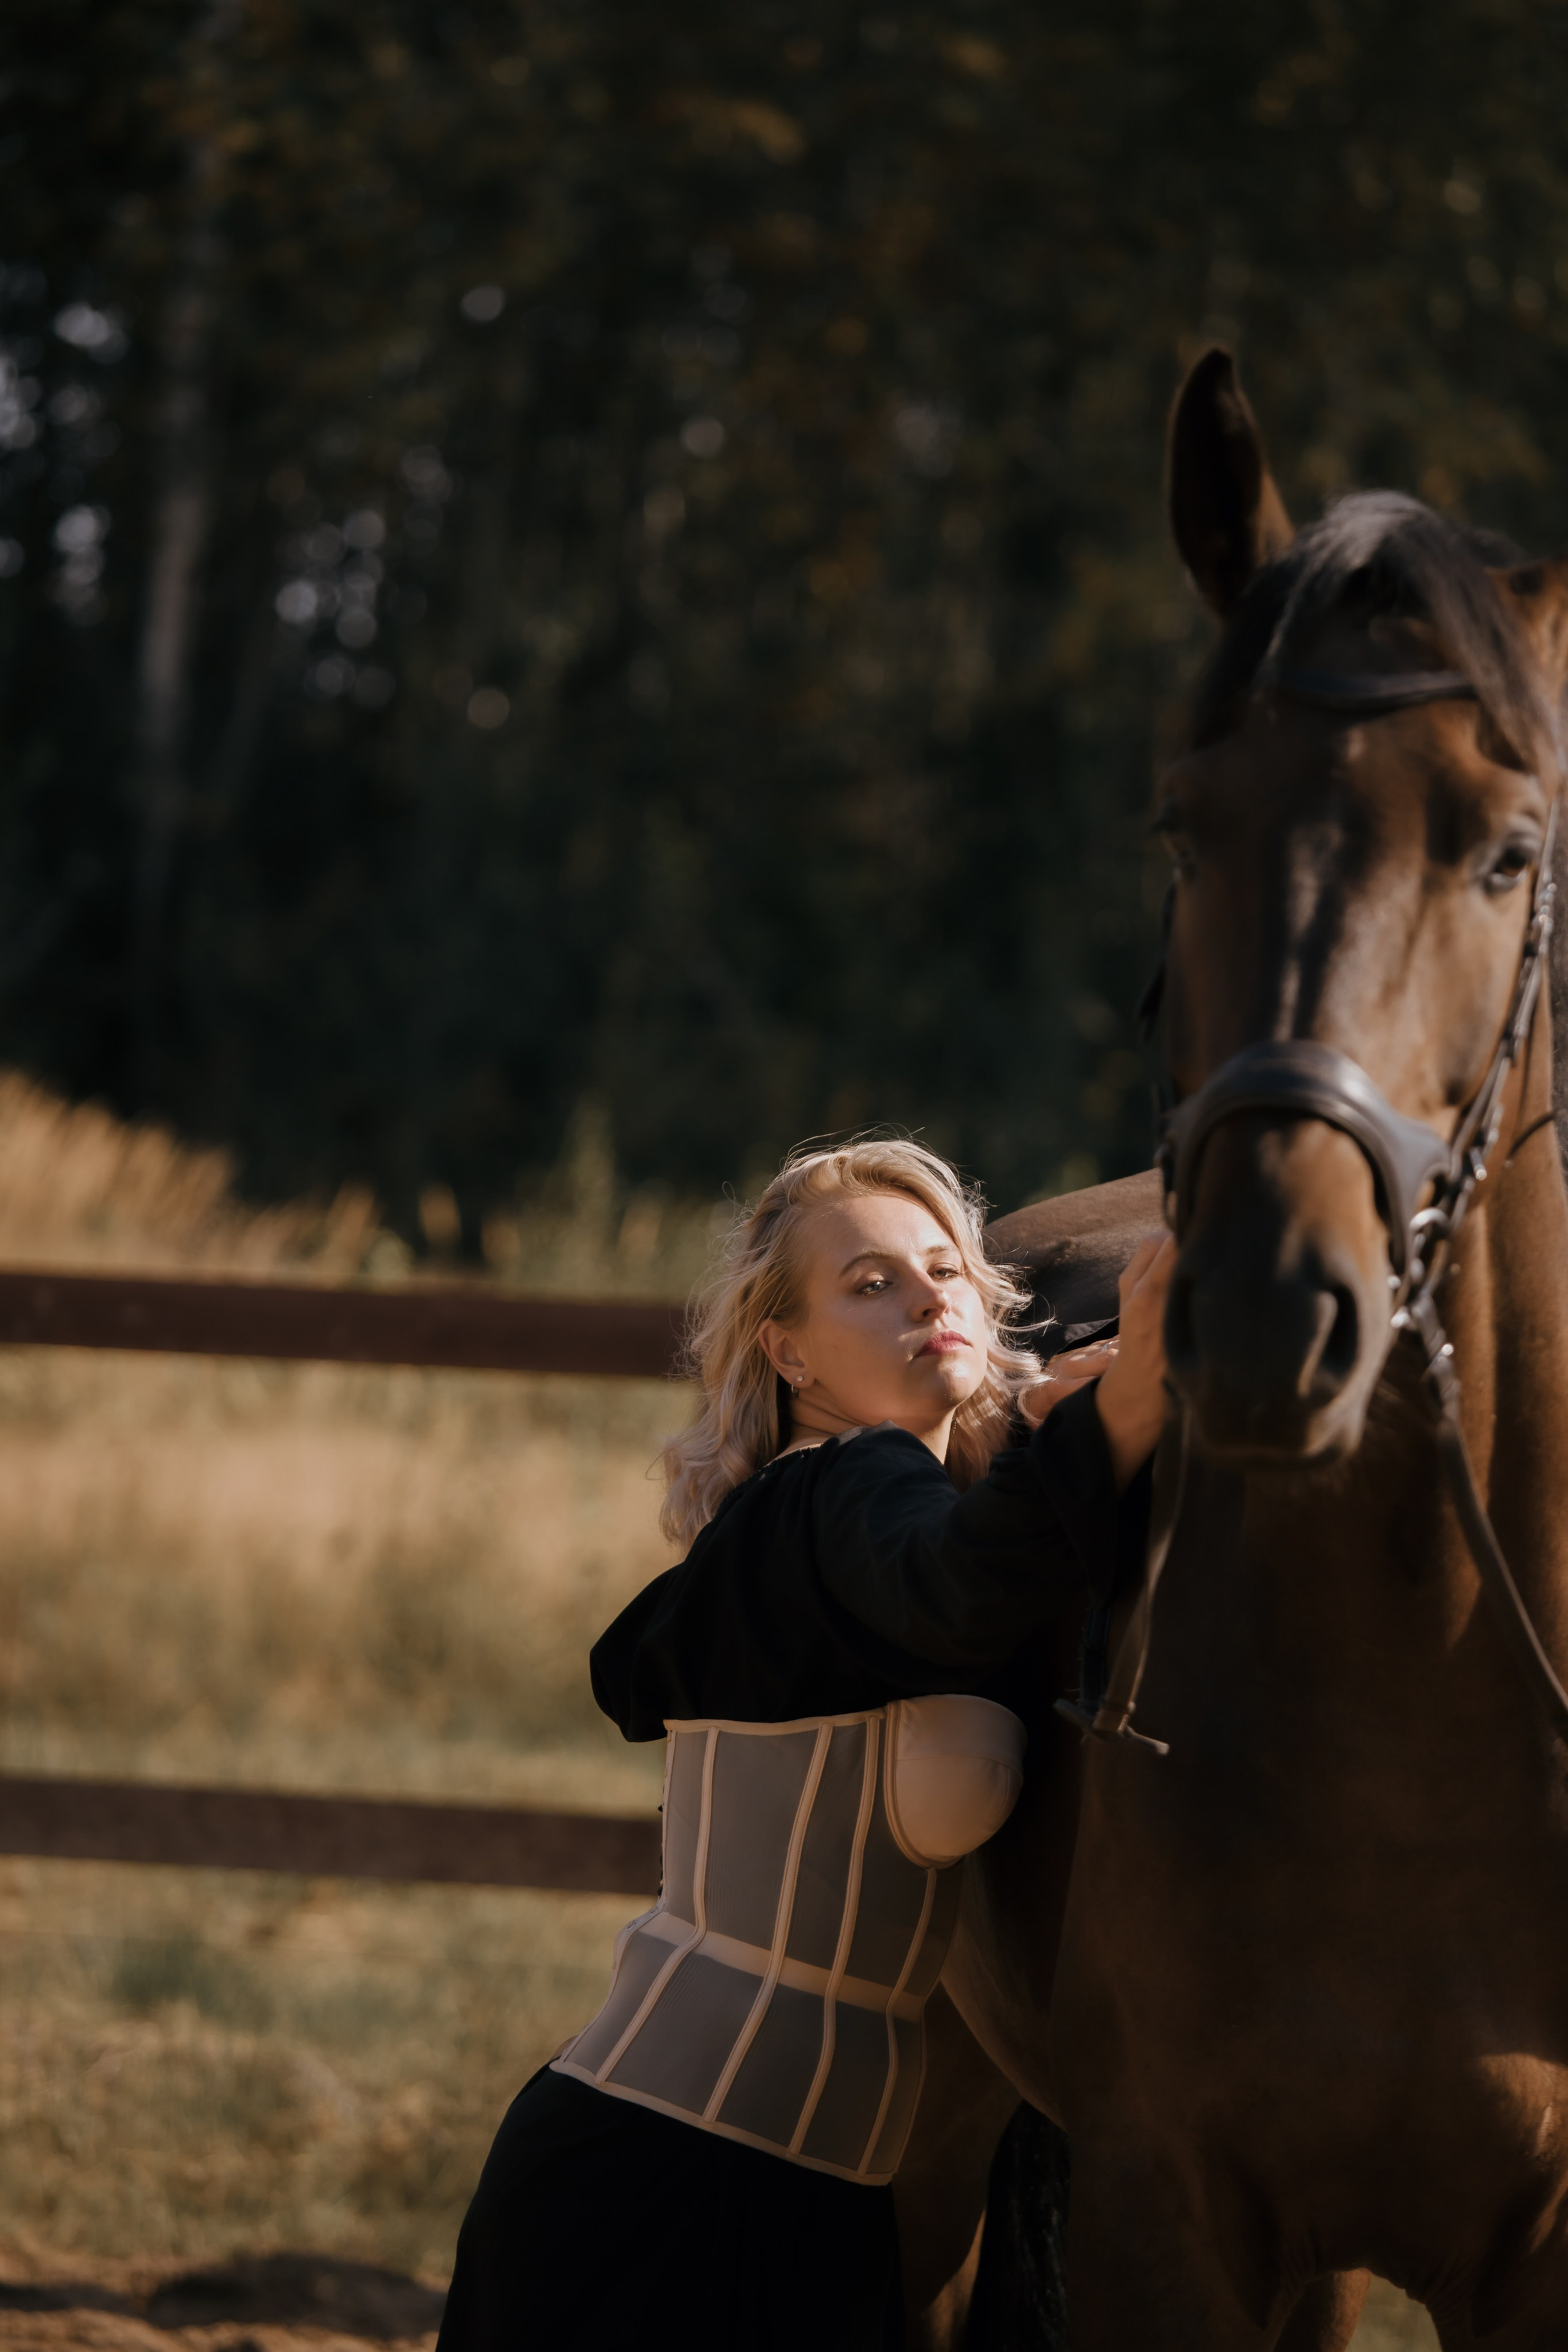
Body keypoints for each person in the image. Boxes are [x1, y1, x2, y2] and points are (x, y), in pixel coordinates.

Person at [437, 1138, 1173, 2352]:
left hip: (823, 2205)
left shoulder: (901, 1514)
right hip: (651, 2184)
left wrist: (1053, 1433)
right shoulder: (832, 1484)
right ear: (785, 1352)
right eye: (868, 1283)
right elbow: (949, 1589)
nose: (927, 1294)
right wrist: (1120, 1416)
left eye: (943, 1269)